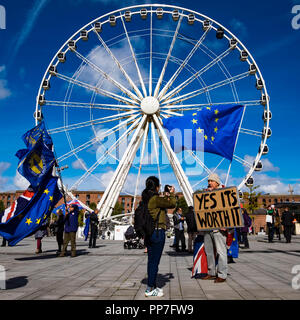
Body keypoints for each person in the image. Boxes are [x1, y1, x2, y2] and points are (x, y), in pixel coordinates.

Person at [144, 176, 176, 297]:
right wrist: (172, 194)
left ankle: (151, 285)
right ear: (156, 187)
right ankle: (150, 289)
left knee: (151, 260)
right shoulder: (155, 199)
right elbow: (172, 204)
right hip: (157, 232)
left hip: (149, 233)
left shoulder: (146, 198)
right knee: (155, 261)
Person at [202, 173, 229, 283]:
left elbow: (230, 211)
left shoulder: (224, 194)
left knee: (221, 252)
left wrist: (227, 225)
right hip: (208, 228)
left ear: (217, 182)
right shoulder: (206, 194)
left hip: (219, 228)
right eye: (208, 181)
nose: (209, 183)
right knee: (209, 251)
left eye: (211, 181)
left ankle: (222, 274)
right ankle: (211, 272)